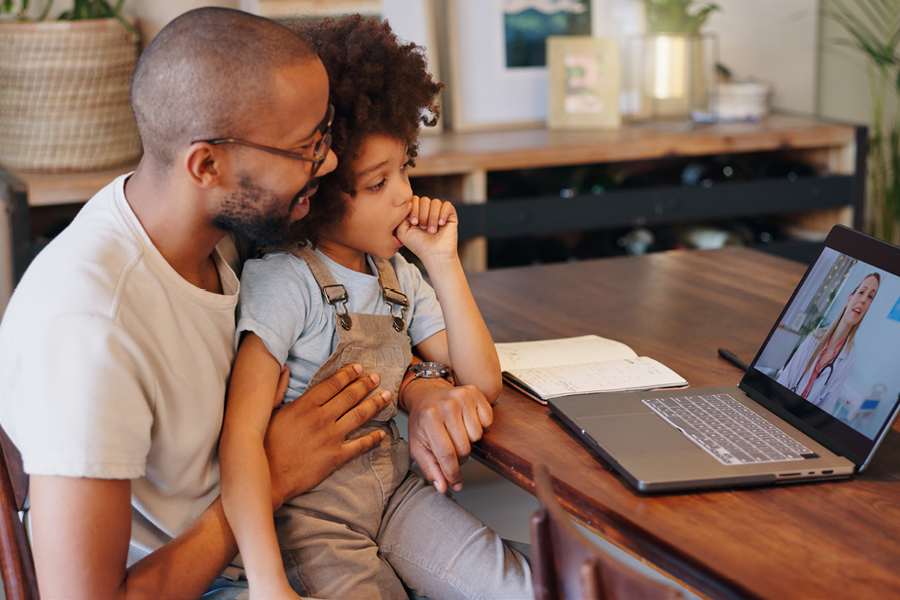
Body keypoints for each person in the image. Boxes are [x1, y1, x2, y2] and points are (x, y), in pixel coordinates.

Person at [0, 8, 470, 600]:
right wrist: (269, 477)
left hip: (306, 531)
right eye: (305, 147)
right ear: (206, 165)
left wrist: (422, 381)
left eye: (323, 136)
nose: (326, 164)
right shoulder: (89, 327)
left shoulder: (221, 226)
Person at [219, 15, 532, 600]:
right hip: (315, 523)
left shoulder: (398, 275)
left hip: (396, 497)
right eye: (377, 183)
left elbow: (482, 379)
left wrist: (443, 262)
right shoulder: (283, 282)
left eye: (405, 169)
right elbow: (240, 441)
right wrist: (267, 584)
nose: (405, 196)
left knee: (523, 585)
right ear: (316, 196)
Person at [777, 272, 880, 414]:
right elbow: (784, 379)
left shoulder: (849, 356)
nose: (863, 300)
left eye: (870, 297)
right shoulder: (815, 337)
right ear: (849, 299)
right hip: (779, 407)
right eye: (861, 292)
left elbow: (827, 406)